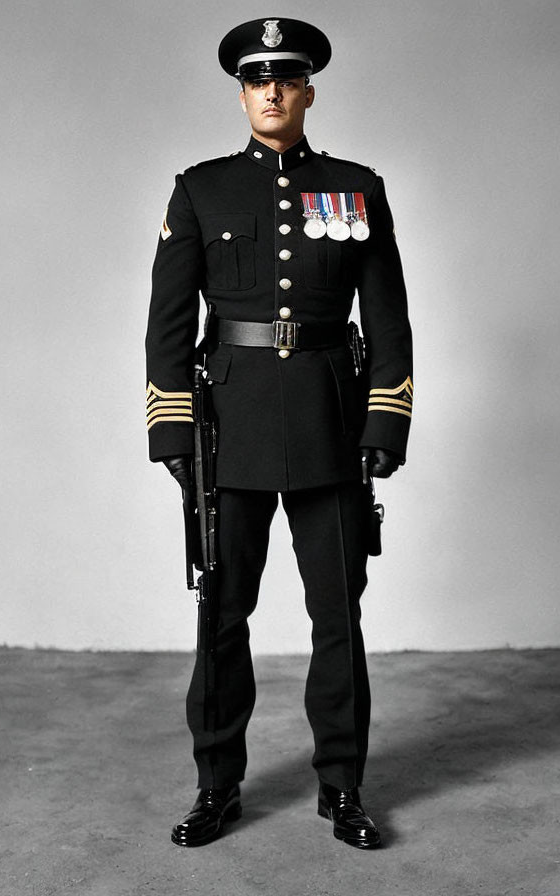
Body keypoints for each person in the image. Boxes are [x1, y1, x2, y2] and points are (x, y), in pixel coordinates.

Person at [144, 17, 413, 850]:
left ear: (306, 90)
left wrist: (384, 418)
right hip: (233, 428)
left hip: (332, 424)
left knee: (337, 616)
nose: (272, 91)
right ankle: (217, 786)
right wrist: (176, 434)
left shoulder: (355, 187)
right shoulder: (202, 190)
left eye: (287, 79)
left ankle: (343, 787)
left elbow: (390, 321)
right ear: (242, 92)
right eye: (258, 79)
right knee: (222, 616)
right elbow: (167, 325)